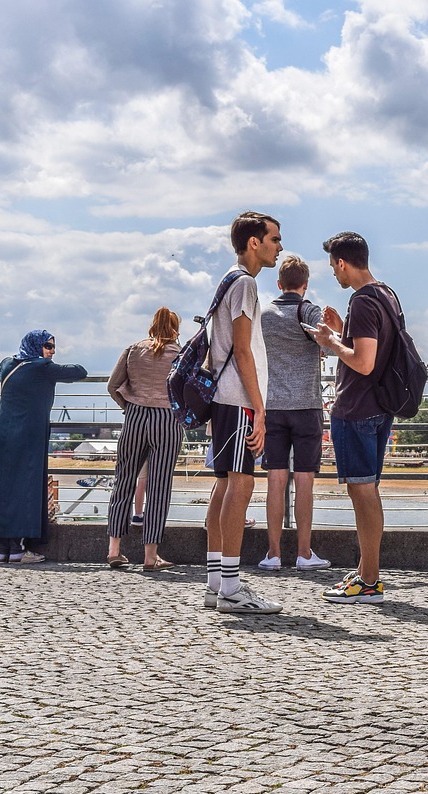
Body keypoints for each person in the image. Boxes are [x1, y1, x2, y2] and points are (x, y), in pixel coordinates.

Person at [309, 231, 398, 604]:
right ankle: (366, 571)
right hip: (380, 405)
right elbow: (372, 349)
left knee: (362, 493)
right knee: (369, 490)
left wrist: (330, 343)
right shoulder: (387, 294)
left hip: (357, 407)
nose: (334, 274)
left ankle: (370, 580)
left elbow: (362, 361)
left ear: (343, 263)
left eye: (333, 266)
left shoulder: (362, 301)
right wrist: (343, 332)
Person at [203, 211, 282, 614]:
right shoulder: (247, 284)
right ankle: (231, 588)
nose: (279, 247)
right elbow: (244, 349)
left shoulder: (227, 280)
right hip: (238, 399)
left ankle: (216, 581)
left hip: (222, 398)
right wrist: (260, 408)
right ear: (254, 242)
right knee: (241, 485)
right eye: (273, 239)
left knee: (223, 486)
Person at [0, 330, 87, 563]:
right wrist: (42, 362)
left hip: (0, 433)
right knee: (23, 488)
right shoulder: (42, 368)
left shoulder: (7, 364)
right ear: (37, 347)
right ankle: (17, 550)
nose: (52, 351)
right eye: (48, 346)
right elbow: (79, 371)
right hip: (27, 436)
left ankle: (0, 549)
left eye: (53, 346)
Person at [256, 255, 331, 572]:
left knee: (274, 481)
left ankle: (273, 554)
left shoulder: (265, 314)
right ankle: (303, 553)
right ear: (305, 284)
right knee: (304, 482)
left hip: (272, 407)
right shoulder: (309, 310)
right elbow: (328, 343)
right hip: (306, 406)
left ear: (278, 284)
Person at [105, 307, 184, 571]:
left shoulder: (133, 350)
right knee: (159, 487)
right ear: (175, 328)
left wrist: (128, 406)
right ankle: (150, 557)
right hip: (167, 418)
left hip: (135, 417)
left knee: (124, 481)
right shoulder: (179, 354)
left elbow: (112, 385)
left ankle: (114, 549)